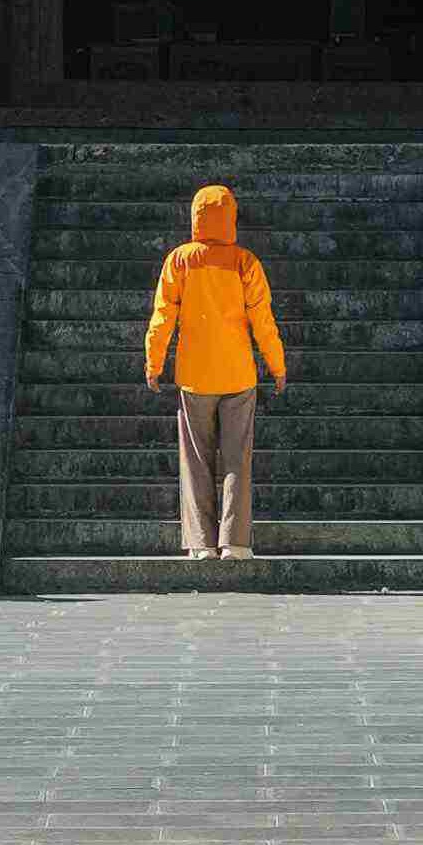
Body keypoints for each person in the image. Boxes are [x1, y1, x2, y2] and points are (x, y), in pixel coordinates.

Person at [143, 179, 288, 561]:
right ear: (231, 218)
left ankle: (201, 543)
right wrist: (277, 364)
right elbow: (263, 320)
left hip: (194, 375)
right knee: (238, 458)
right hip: (239, 374)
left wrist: (154, 362)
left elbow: (162, 317)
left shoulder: (179, 260)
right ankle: (235, 542)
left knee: (196, 459)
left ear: (196, 218)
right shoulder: (245, 261)